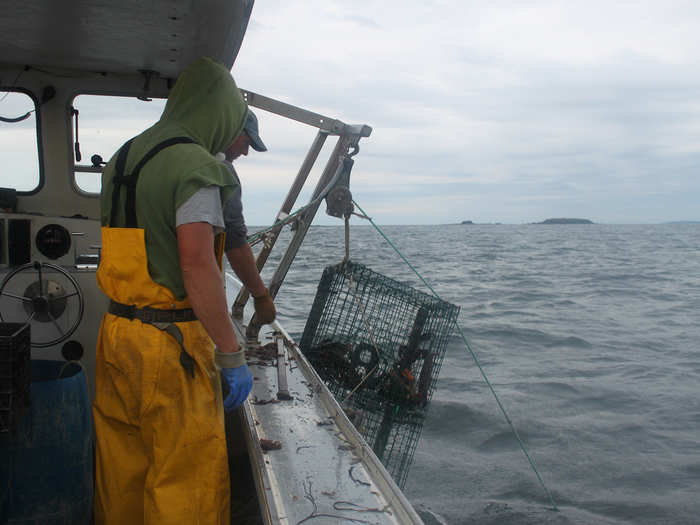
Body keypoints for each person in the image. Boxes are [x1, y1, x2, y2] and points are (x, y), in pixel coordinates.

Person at [93, 57, 271, 525]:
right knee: (185, 481)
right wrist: (231, 354)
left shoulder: (124, 156)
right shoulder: (197, 165)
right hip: (170, 349)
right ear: (218, 111)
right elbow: (196, 265)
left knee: (122, 469)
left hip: (116, 334)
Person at [219, 109, 275, 319]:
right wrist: (261, 296)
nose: (245, 153)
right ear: (230, 129)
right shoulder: (221, 170)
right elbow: (233, 241)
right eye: (246, 143)